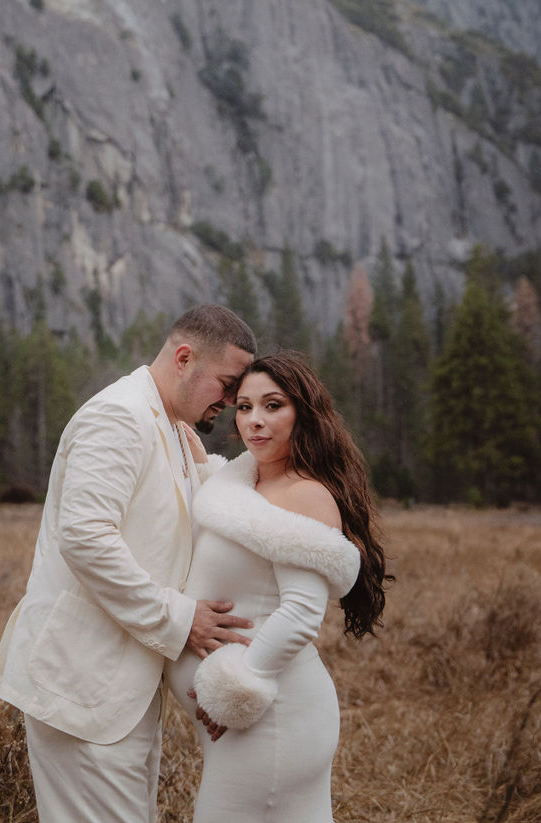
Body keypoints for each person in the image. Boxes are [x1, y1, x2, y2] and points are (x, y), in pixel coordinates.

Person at [0, 303, 257, 823]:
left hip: (123, 691)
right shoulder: (117, 416)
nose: (230, 401)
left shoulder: (177, 431)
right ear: (184, 357)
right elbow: (86, 538)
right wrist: (182, 620)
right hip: (83, 685)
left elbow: (212, 507)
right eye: (226, 385)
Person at [167, 351, 389, 822]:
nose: (255, 421)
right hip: (249, 721)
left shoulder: (303, 493)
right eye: (244, 407)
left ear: (303, 412)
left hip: (273, 714)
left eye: (273, 405)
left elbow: (303, 613)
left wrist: (232, 690)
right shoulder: (245, 481)